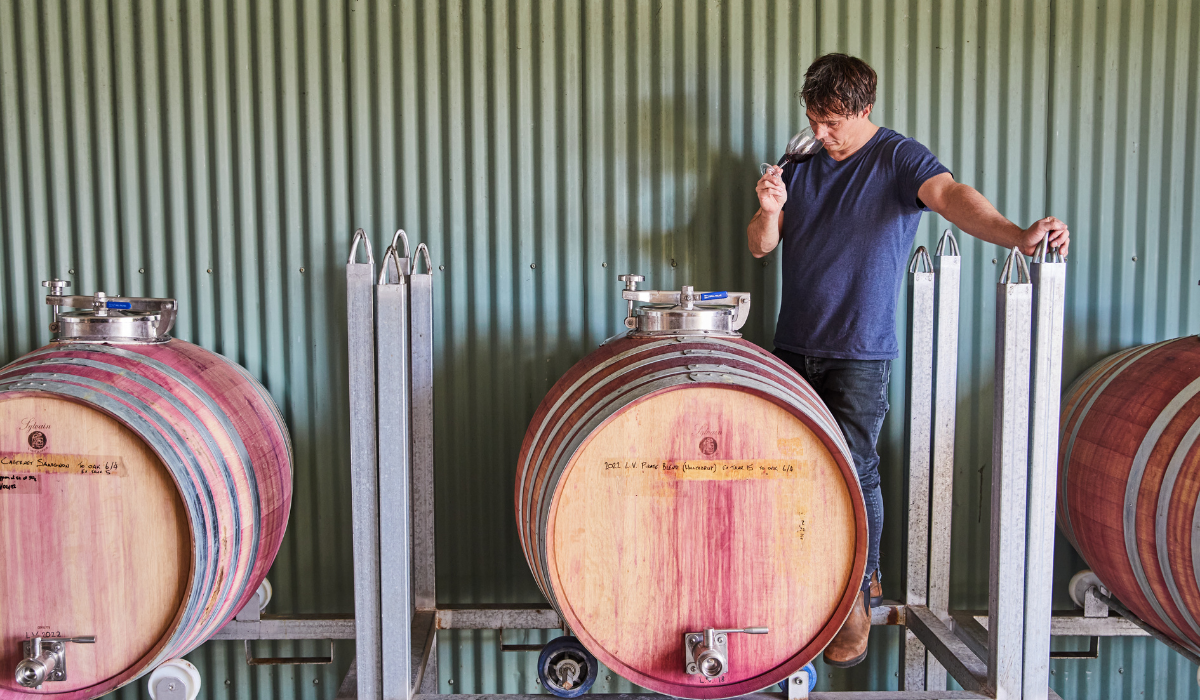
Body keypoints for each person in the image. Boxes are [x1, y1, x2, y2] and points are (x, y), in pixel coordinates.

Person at [746, 53, 1070, 668]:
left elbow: (951, 197)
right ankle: (803, 576)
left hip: (860, 352)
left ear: (864, 110)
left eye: (833, 120)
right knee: (791, 467)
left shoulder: (897, 158)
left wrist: (1017, 234)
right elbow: (762, 247)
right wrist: (767, 209)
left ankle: (856, 597)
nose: (820, 132)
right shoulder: (799, 160)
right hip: (792, 344)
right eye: (814, 117)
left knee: (856, 466)